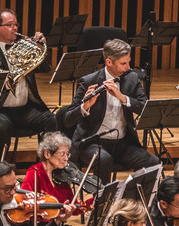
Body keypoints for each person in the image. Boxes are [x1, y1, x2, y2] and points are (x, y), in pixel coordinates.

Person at [63, 38, 160, 181]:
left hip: (122, 143)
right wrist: (85, 106)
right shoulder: (89, 81)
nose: (128, 67)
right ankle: (102, 202)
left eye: (128, 62)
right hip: (92, 142)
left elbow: (145, 108)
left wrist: (123, 97)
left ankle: (139, 202)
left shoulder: (131, 78)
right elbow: (67, 120)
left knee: (152, 162)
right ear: (109, 62)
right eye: (123, 63)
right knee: (104, 160)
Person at [0, 9, 56, 160]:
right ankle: (0, 170)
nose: (15, 28)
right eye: (10, 25)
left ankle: (43, 168)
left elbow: (46, 68)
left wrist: (41, 47)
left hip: (25, 109)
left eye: (16, 24)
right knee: (2, 125)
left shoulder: (25, 49)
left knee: (50, 119)